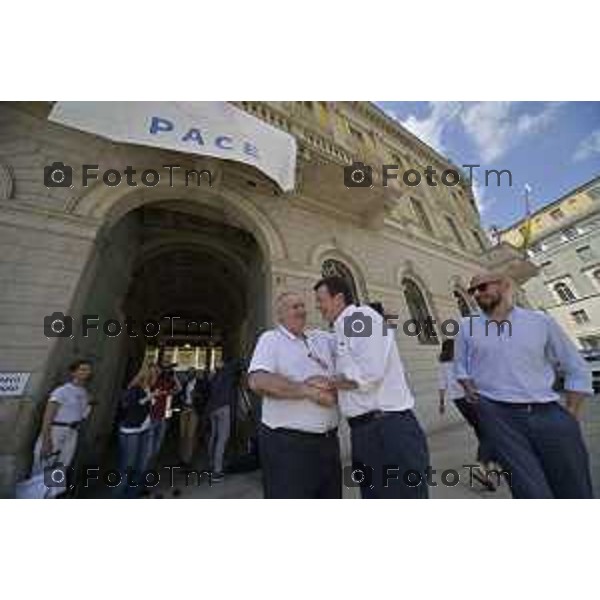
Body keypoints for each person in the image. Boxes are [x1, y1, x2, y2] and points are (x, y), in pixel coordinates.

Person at [454, 271, 594, 499]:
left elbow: (575, 367)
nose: (477, 294)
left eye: (482, 287)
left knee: (573, 487)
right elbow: (459, 364)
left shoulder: (540, 322)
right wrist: (468, 386)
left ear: (504, 286)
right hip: (499, 418)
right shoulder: (466, 326)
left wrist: (571, 414)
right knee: (528, 491)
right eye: (472, 291)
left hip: (548, 412)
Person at [313, 276, 430, 499]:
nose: (318, 307)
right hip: (365, 434)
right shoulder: (340, 330)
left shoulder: (361, 318)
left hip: (388, 431)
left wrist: (328, 383)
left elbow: (368, 376)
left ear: (338, 298)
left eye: (321, 300)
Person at [248, 291, 341, 498]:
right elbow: (257, 380)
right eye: (294, 307)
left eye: (302, 306)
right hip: (289, 448)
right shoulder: (271, 339)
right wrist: (309, 391)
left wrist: (375, 317)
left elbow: (352, 339)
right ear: (279, 315)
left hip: (328, 444)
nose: (301, 310)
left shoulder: (320, 339)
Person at [438, 338, 496, 491]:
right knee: (489, 429)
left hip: (458, 401)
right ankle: (482, 463)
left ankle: (490, 458)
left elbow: (442, 384)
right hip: (469, 397)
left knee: (480, 428)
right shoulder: (461, 360)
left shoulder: (443, 365)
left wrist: (442, 403)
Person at [33, 359, 94, 498]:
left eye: (88, 370)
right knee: (43, 467)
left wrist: (89, 404)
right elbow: (49, 414)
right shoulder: (62, 391)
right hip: (56, 430)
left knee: (61, 467)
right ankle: (36, 496)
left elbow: (82, 415)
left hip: (72, 432)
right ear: (74, 372)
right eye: (82, 369)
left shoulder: (84, 393)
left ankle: (50, 497)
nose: (86, 372)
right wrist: (46, 439)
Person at [114, 361, 158, 498]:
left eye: (157, 373)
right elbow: (130, 404)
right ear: (146, 373)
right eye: (154, 372)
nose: (156, 375)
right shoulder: (135, 388)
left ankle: (133, 493)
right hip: (131, 430)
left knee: (141, 463)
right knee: (128, 464)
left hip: (144, 428)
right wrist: (149, 398)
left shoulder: (148, 388)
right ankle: (120, 495)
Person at [205, 358, 239, 482]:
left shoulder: (213, 377)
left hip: (213, 409)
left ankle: (211, 463)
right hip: (223, 408)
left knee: (214, 437)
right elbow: (236, 363)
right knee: (222, 439)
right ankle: (217, 471)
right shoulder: (226, 372)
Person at [148, 365, 181, 466]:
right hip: (151, 417)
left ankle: (150, 466)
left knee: (157, 445)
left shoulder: (168, 383)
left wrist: (174, 375)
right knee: (149, 446)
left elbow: (179, 388)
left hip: (163, 418)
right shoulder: (152, 383)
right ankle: (145, 468)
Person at [178, 368, 200, 468]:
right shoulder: (185, 384)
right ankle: (182, 458)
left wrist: (196, 396)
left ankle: (188, 460)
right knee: (183, 434)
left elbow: (204, 395)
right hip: (185, 408)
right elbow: (181, 395)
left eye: (191, 373)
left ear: (195, 374)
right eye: (188, 373)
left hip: (194, 410)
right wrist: (182, 399)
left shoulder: (200, 384)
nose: (189, 375)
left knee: (190, 435)